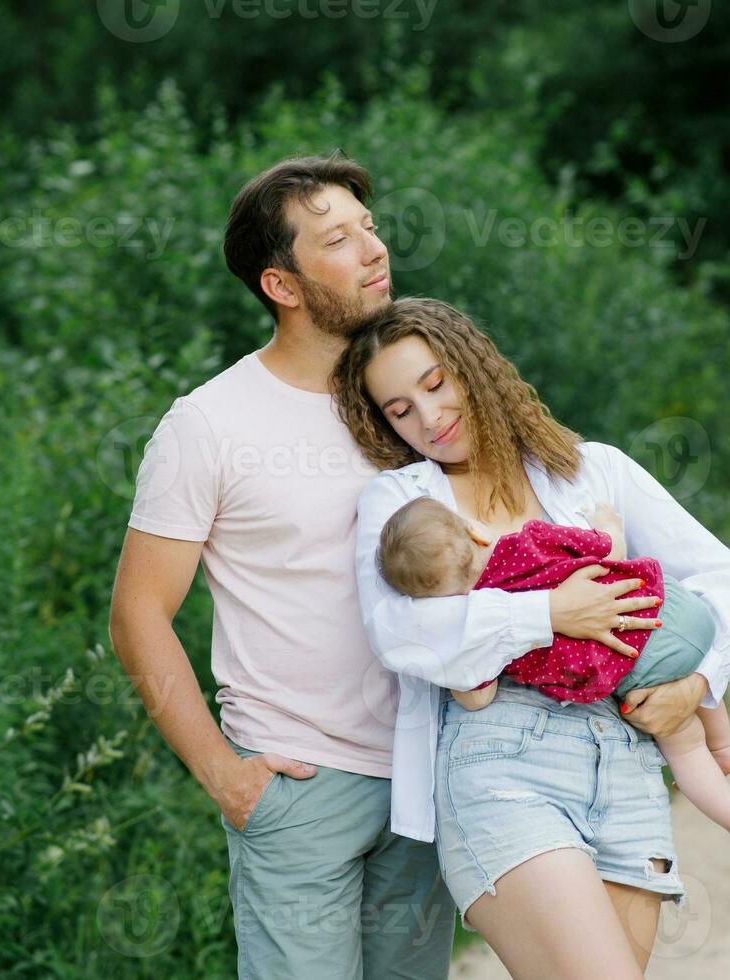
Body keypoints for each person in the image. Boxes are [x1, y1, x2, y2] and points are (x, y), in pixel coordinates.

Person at [107, 154, 664, 980]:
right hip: (299, 783)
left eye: (369, 227)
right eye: (337, 239)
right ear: (283, 286)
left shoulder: (413, 405)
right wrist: (225, 777)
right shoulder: (209, 425)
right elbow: (138, 614)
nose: (374, 250)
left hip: (432, 768)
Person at [332, 297, 730, 978]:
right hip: (502, 766)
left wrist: (697, 682)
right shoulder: (402, 503)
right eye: (399, 410)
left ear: (471, 366)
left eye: (435, 384)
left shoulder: (593, 471)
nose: (429, 418)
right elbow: (404, 634)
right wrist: (550, 613)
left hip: (626, 764)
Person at [374, 494, 730, 868]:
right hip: (670, 606)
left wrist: (455, 676)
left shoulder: (484, 624)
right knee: (687, 672)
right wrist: (608, 523)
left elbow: (478, 697)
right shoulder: (528, 542)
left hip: (633, 664)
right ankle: (725, 746)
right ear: (475, 531)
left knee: (685, 745)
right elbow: (609, 548)